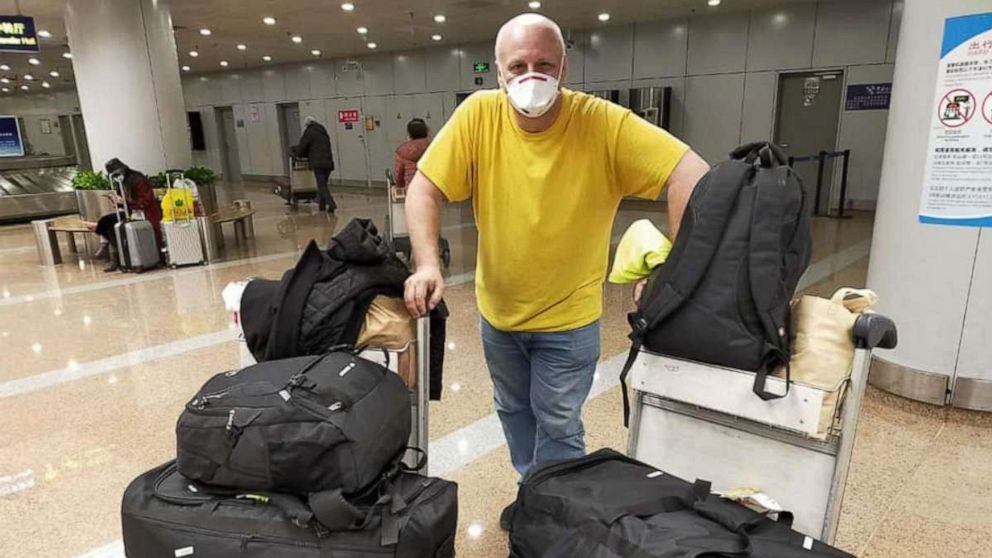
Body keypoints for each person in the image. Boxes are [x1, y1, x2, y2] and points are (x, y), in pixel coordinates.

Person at [402, 13, 710, 526]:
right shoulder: (479, 116)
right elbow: (424, 188)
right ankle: (535, 496)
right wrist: (428, 263)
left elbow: (691, 173)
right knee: (514, 412)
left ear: (564, 68)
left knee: (559, 423)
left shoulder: (602, 123)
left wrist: (673, 271)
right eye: (517, 66)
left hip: (569, 320)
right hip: (499, 315)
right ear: (499, 73)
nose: (531, 76)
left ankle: (558, 519)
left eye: (544, 65)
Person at [89, 158, 163, 272]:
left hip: (145, 213)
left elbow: (145, 201)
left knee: (112, 223)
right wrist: (117, 201)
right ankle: (115, 253)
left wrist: (125, 202)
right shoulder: (121, 182)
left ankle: (115, 256)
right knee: (106, 221)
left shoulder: (137, 179)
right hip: (132, 212)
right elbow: (124, 202)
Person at [292, 116, 337, 213]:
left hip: (318, 163)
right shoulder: (323, 131)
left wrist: (296, 153)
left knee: (321, 185)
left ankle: (331, 203)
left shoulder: (309, 132)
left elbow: (303, 146)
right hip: (328, 163)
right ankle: (322, 205)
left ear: (307, 124)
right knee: (323, 184)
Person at [393, 118, 431, 190]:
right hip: (431, 189)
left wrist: (400, 186)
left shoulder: (402, 151)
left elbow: (399, 177)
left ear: (409, 134)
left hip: (411, 188)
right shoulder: (433, 148)